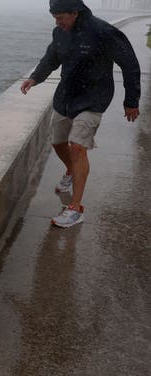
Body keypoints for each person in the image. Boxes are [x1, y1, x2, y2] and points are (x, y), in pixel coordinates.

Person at [20, 0, 140, 228]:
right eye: (54, 17)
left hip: (94, 98)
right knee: (57, 142)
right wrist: (35, 77)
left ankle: (75, 208)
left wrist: (131, 100)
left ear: (75, 12)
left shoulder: (103, 31)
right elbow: (51, 59)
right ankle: (70, 170)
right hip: (66, 96)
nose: (57, 22)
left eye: (60, 17)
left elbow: (130, 64)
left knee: (78, 146)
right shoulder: (60, 32)